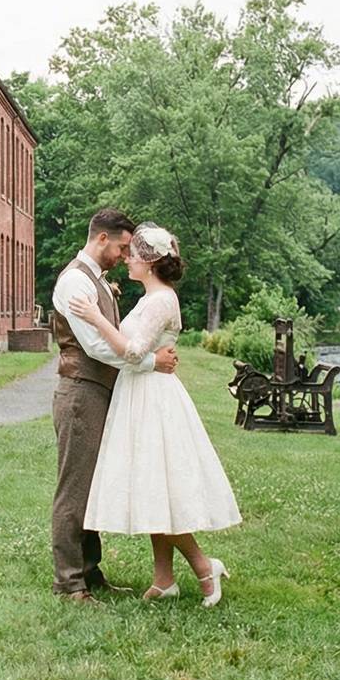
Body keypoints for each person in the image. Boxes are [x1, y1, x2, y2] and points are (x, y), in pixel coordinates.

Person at [68, 221, 241, 605]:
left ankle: (202, 565)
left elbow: (130, 352)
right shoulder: (150, 298)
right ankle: (164, 578)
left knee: (159, 488)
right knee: (151, 489)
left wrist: (95, 316)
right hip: (139, 392)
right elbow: (138, 349)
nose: (126, 259)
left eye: (133, 255)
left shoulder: (162, 300)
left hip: (153, 398)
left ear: (149, 262)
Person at [47, 208, 179, 603]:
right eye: (122, 247)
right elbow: (97, 346)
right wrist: (154, 362)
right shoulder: (74, 282)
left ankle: (90, 572)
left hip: (100, 392)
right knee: (75, 488)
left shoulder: (98, 281)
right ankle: (69, 582)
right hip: (80, 392)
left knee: (92, 486)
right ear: (101, 238)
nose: (125, 256)